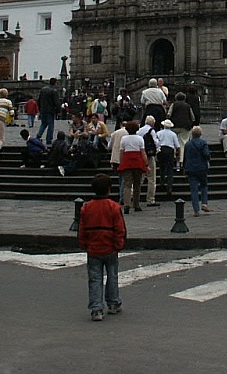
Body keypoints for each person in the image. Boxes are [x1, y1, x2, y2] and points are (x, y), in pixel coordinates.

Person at [78, 173, 126, 321]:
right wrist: (119, 244)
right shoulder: (114, 207)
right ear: (109, 190)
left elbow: (82, 229)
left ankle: (96, 308)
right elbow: (120, 229)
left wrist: (84, 244)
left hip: (93, 247)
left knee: (95, 278)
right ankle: (113, 303)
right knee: (112, 276)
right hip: (110, 246)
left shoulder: (86, 208)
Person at [118, 121, 148, 214]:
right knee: (137, 184)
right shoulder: (140, 139)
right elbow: (143, 152)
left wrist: (121, 162)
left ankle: (126, 204)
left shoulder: (124, 139)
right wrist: (146, 163)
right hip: (137, 161)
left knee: (127, 184)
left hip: (127, 161)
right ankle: (136, 204)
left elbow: (122, 151)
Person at [183, 125, 211, 217]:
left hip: (190, 168)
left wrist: (184, 168)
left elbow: (185, 157)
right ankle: (204, 203)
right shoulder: (203, 143)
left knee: (193, 190)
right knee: (204, 185)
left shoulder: (188, 144)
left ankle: (196, 210)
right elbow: (207, 155)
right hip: (201, 168)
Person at [136, 115, 160, 207]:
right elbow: (156, 142)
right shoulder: (151, 131)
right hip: (149, 156)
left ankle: (133, 196)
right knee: (151, 179)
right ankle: (150, 199)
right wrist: (157, 150)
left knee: (139, 178)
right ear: (152, 123)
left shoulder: (139, 130)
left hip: (140, 155)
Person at [167, 91, 195, 166]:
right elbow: (193, 118)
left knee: (173, 142)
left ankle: (173, 157)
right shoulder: (188, 106)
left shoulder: (174, 104)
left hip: (174, 125)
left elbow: (169, 114)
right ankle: (181, 160)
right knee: (183, 143)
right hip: (185, 126)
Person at [155, 119, 180, 197]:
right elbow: (177, 145)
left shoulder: (158, 133)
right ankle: (169, 186)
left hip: (161, 150)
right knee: (170, 169)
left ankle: (162, 181)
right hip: (170, 150)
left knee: (162, 166)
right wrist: (178, 154)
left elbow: (156, 143)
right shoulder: (173, 134)